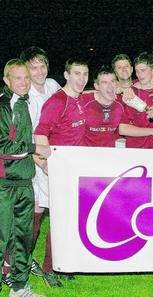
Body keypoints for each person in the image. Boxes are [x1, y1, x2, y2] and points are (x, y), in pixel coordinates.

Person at [34, 58, 89, 287]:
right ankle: (49, 269)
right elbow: (40, 134)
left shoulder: (79, 99)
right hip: (55, 170)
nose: (82, 79)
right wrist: (46, 164)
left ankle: (63, 265)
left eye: (85, 74)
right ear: (66, 75)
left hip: (71, 170)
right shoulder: (57, 101)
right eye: (77, 74)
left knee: (68, 221)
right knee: (57, 221)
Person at [0, 59, 50, 297]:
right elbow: (3, 147)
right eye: (17, 78)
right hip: (4, 184)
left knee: (23, 237)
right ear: (6, 80)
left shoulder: (23, 102)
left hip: (24, 182)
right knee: (2, 238)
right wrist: (34, 148)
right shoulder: (3, 105)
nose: (23, 82)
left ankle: (19, 287)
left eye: (26, 78)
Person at [18, 47, 60, 280]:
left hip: (55, 157)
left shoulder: (53, 85)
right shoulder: (24, 96)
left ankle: (48, 266)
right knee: (35, 211)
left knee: (55, 209)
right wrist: (40, 161)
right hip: (35, 161)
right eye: (34, 67)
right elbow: (26, 135)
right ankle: (18, 262)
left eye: (42, 65)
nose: (40, 71)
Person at [119, 52, 153, 148]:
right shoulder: (130, 94)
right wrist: (152, 132)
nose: (139, 75)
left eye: (143, 70)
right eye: (137, 71)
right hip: (138, 149)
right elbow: (122, 129)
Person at [81, 67, 124, 147]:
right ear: (97, 86)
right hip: (86, 152)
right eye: (105, 82)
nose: (110, 86)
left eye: (113, 81)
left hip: (111, 153)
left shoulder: (122, 102)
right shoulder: (84, 101)